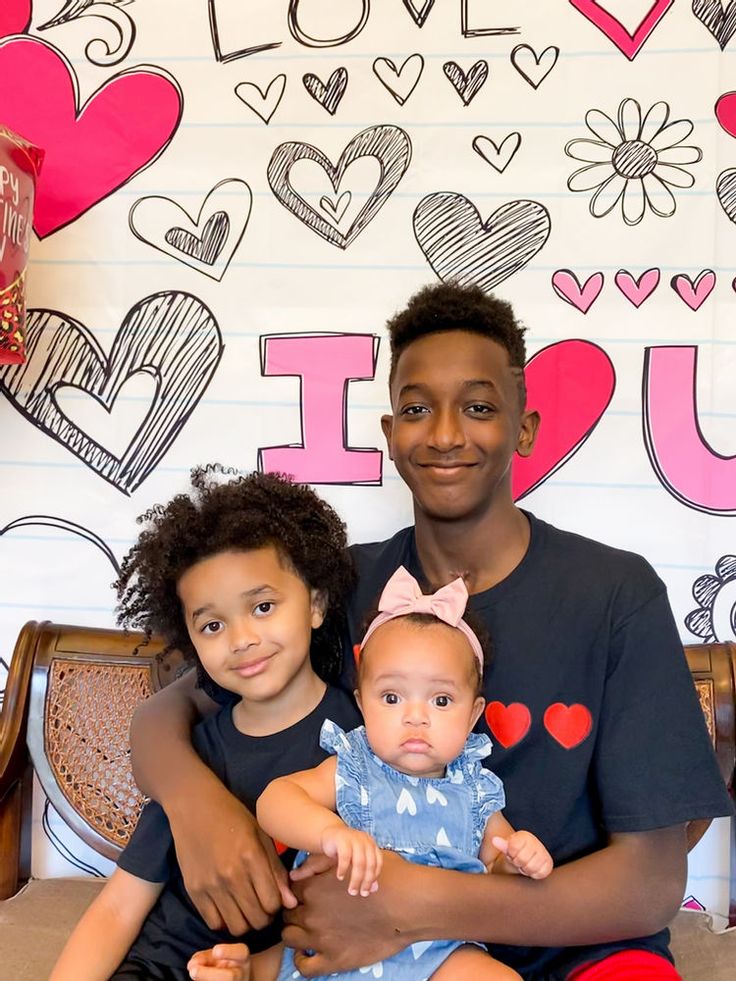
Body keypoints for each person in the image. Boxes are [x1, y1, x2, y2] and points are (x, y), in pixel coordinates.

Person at [129, 283, 733, 980]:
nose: (445, 433)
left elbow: (650, 884)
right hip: (380, 956)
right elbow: (166, 711)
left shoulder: (613, 594)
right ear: (390, 435)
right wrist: (199, 808)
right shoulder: (343, 588)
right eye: (416, 409)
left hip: (575, 945)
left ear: (525, 427)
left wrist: (411, 904)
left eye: (478, 407)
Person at [50, 467, 361, 981]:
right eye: (213, 625)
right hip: (161, 967)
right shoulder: (197, 754)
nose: (240, 639)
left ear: (317, 604)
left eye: (262, 606)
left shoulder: (361, 738)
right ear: (190, 640)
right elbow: (118, 909)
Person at [256, 565, 553, 981]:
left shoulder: (474, 788)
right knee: (278, 965)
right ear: (362, 705)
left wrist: (519, 858)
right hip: (343, 943)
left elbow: (496, 869)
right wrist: (329, 833)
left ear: (473, 716)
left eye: (442, 701)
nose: (416, 717)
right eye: (392, 697)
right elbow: (276, 800)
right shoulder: (356, 766)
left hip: (440, 951)